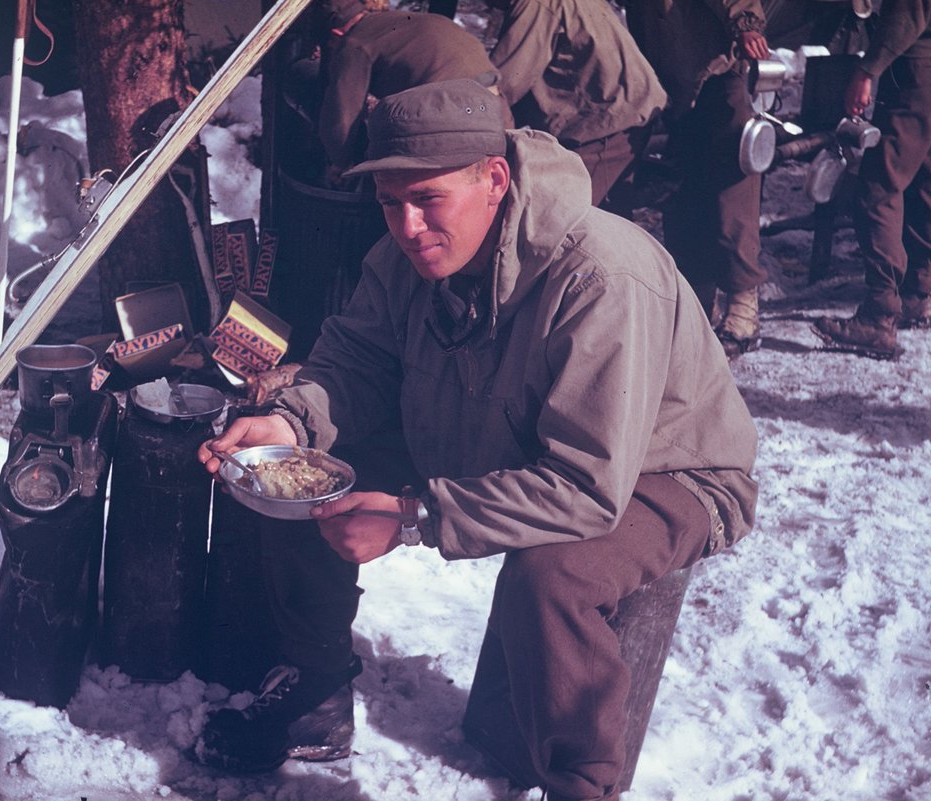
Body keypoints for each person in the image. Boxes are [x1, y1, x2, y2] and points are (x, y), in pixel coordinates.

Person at [190, 78, 759, 801]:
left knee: (551, 577)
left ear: (495, 179)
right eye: (391, 203)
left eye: (428, 199)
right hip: (498, 425)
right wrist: (291, 422)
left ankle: (582, 784)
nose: (408, 224)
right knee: (301, 475)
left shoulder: (602, 276)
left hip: (661, 472)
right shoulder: (406, 252)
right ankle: (317, 686)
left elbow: (586, 486)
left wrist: (412, 515)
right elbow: (359, 360)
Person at [812, 0, 931, 359]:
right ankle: (920, 294)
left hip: (919, 64)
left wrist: (868, 70)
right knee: (927, 176)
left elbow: (908, 11)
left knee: (877, 186)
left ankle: (878, 314)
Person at [623, 0, 772, 358]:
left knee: (732, 189)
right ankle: (694, 304)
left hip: (717, 70)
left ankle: (743, 303)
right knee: (685, 192)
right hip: (668, 75)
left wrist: (745, 23)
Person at [483, 0, 668, 208]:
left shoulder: (536, 5)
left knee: (568, 216)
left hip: (608, 123)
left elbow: (504, 84)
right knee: (603, 213)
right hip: (623, 112)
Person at [309, 0, 512, 184]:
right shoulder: (406, 21)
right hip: (495, 104)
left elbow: (342, 115)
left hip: (449, 115)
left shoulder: (354, 42)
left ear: (335, 33)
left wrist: (339, 162)